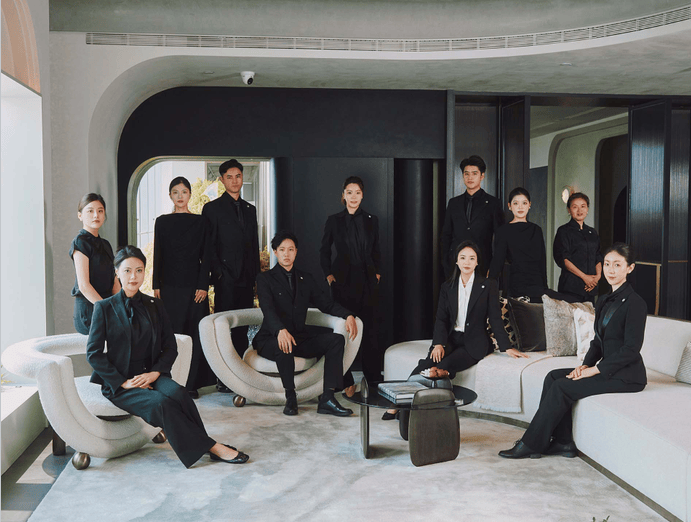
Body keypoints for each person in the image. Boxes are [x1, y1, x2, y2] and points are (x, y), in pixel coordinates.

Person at [86, 245, 249, 467]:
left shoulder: (155, 305)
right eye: (127, 271)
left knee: (179, 393)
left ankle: (206, 444)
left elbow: (170, 346)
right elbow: (94, 354)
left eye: (139, 270)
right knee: (161, 403)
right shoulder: (104, 308)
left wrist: (154, 374)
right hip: (121, 383)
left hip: (152, 375)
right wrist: (123, 382)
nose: (133, 277)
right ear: (117, 273)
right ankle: (214, 447)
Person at [499, 243, 646, 459]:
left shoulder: (636, 303)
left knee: (562, 386)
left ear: (630, 268)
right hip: (606, 370)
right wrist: (584, 365)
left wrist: (593, 370)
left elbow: (631, 350)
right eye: (607, 264)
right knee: (553, 377)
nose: (610, 270)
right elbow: (598, 341)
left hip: (627, 376)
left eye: (617, 265)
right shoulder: (603, 300)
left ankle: (531, 443)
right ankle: (563, 442)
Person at [383, 240, 528, 420]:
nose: (467, 262)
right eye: (463, 258)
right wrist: (438, 343)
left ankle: (411, 413)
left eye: (472, 258)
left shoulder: (488, 285)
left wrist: (507, 347)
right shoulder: (448, 287)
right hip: (451, 339)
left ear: (477, 262)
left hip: (475, 342)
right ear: (457, 261)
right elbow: (441, 319)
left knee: (440, 367)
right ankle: (397, 404)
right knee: (426, 364)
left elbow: (495, 318)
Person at [253, 231, 359, 417]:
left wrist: (348, 315)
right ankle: (291, 397)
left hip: (298, 337)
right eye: (282, 250)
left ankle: (327, 398)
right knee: (284, 344)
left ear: (296, 252)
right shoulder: (264, 279)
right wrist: (280, 330)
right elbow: (267, 309)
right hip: (270, 338)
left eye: (291, 249)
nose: (286, 254)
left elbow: (326, 304)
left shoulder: (306, 278)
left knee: (336, 340)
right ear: (275, 252)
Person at [153, 177, 215, 399]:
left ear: (190, 195)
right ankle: (170, 381)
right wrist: (156, 285)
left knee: (194, 333)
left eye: (184, 192)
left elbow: (207, 256)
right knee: (171, 335)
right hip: (169, 287)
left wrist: (203, 286)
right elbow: (158, 254)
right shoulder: (162, 222)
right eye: (175, 192)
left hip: (194, 288)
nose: (180, 196)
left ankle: (192, 384)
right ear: (170, 195)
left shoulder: (201, 222)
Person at [201, 159, 260, 393]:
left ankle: (240, 375)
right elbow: (208, 247)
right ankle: (223, 377)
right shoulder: (212, 209)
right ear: (222, 180)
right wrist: (219, 274)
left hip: (247, 278)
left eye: (238, 176)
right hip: (224, 279)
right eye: (229, 177)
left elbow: (254, 246)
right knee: (224, 327)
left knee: (242, 328)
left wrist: (257, 279)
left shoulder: (250, 209)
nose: (235, 181)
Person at [320, 176, 382, 393]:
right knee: (344, 331)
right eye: (349, 192)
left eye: (357, 192)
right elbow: (324, 251)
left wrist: (377, 273)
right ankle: (346, 381)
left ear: (362, 195)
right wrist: (328, 275)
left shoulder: (372, 220)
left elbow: (377, 249)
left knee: (371, 332)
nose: (353, 197)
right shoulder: (334, 220)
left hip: (367, 282)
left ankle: (373, 381)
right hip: (342, 282)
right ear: (343, 195)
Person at [441, 155, 504, 278]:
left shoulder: (493, 203)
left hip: (483, 264)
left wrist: (494, 267)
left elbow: (500, 238)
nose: (470, 177)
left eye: (474, 173)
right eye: (466, 174)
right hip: (456, 264)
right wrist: (446, 262)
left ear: (482, 176)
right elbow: (446, 235)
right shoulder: (454, 203)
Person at [69, 193, 121, 335]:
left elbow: (114, 281)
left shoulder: (106, 244)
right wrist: (107, 309)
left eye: (100, 211)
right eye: (90, 211)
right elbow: (84, 286)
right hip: (89, 310)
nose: (96, 215)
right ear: (80, 215)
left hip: (107, 306)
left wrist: (122, 306)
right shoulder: (80, 242)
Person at [488, 187, 548, 302]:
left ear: (529, 205)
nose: (520, 207)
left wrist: (545, 288)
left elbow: (542, 261)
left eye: (524, 203)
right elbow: (497, 262)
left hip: (537, 285)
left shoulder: (536, 230)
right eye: (516, 203)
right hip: (516, 285)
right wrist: (489, 290)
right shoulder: (503, 231)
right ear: (509, 206)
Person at [553, 192, 602, 303]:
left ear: (587, 209)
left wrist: (597, 277)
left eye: (583, 206)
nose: (579, 210)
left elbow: (598, 256)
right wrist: (585, 277)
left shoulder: (592, 232)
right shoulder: (563, 231)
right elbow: (564, 259)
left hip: (591, 288)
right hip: (571, 287)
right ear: (569, 210)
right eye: (575, 207)